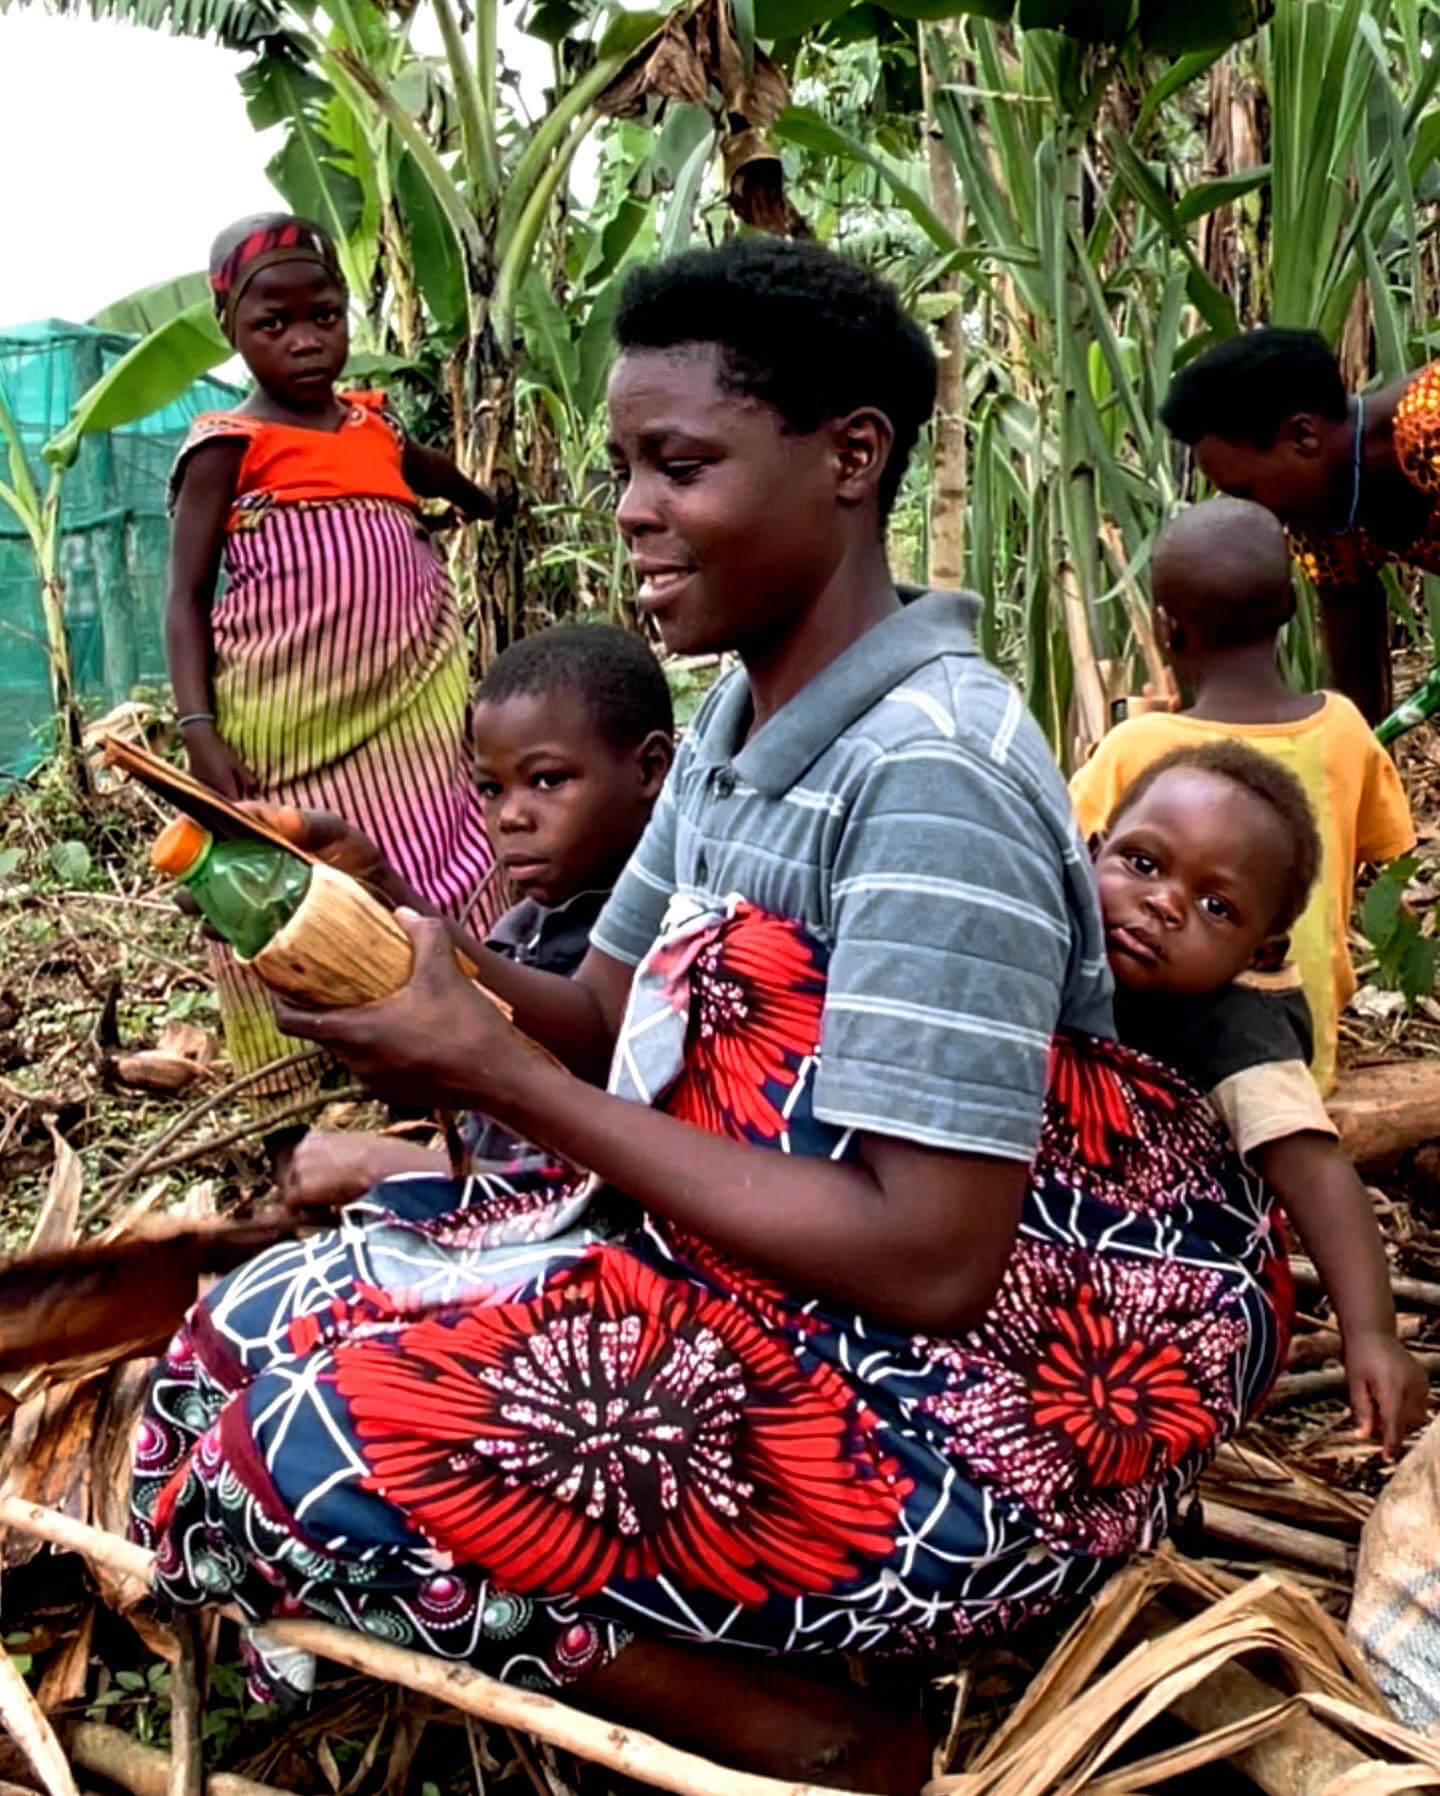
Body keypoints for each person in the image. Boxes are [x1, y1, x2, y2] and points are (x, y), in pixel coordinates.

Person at [134, 242, 1293, 1792]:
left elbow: (933, 1259)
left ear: (851, 460)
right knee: (223, 1349)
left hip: (958, 1425)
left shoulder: (931, 776)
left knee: (294, 1460)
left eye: (679, 466)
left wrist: (499, 1081)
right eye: (624, 467)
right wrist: (396, 928)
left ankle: (822, 1734)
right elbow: (605, 1012)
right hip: (765, 1297)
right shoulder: (743, 723)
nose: (630, 508)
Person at [166, 213, 500, 1088]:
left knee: (442, 848)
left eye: (324, 316)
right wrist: (198, 727)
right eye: (272, 323)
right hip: (287, 727)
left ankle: (459, 1038)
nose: (305, 340)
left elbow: (430, 471)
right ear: (230, 330)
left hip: (411, 719)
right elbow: (185, 598)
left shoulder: (372, 428)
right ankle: (302, 1079)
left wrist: (485, 501)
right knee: (292, 878)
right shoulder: (226, 447)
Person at [1092, 741, 1428, 1455]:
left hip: (1168, 1287)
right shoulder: (1048, 950)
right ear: (1092, 852)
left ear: (1261, 954)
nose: (1164, 903)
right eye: (1141, 863)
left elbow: (1317, 1173)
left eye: (1216, 906)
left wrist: (1370, 1333)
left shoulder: (1234, 1031)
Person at [279, 621, 674, 1209]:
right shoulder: (521, 932)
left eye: (547, 781)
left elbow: (613, 1175)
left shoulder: (669, 948)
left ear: (649, 769)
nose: (511, 816)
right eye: (491, 790)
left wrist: (394, 1166)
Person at [1071, 498, 1415, 1094]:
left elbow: (1072, 865)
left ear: (1166, 626)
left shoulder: (1136, 746)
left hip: (1156, 1073)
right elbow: (1387, 850)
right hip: (1306, 1055)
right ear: (1290, 606)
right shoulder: (1343, 728)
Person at [1160, 327, 1440, 724]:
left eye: (1245, 491)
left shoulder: (1429, 427)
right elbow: (1358, 691)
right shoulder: (1324, 523)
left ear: (1304, 437)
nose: (1251, 514)